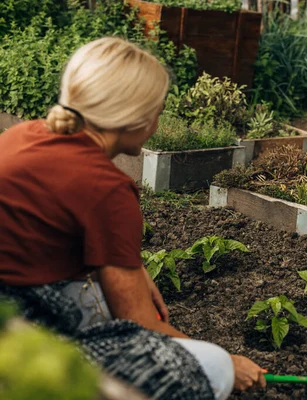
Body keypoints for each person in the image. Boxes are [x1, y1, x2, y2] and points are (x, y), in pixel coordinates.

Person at [0, 37, 265, 399]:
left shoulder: (22, 134)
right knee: (209, 366)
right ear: (134, 119)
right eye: (156, 110)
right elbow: (140, 323)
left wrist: (134, 268)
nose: (158, 120)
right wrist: (231, 363)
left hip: (11, 309)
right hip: (25, 332)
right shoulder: (107, 187)